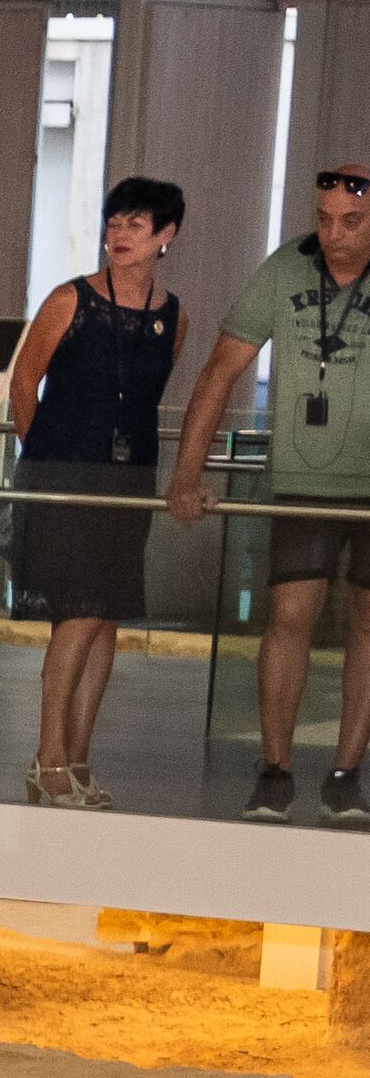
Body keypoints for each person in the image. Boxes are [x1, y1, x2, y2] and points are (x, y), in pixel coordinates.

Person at [168, 156, 370, 820]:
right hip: (304, 482)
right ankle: (276, 769)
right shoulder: (287, 268)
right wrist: (188, 474)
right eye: (325, 219)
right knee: (289, 621)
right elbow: (221, 369)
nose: (335, 234)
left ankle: (345, 773)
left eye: (353, 221)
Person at [4, 177, 190, 810]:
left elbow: (145, 402)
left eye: (136, 225)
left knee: (105, 617)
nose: (120, 236)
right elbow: (24, 383)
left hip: (129, 479)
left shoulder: (174, 317)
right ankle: (47, 759)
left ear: (166, 236)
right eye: (114, 223)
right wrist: (42, 463)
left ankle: (75, 761)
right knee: (77, 614)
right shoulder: (70, 299)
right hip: (64, 477)